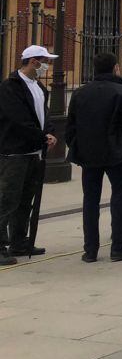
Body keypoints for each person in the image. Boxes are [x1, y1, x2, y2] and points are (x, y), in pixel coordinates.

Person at [66, 52, 122, 262]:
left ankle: (90, 249)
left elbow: (70, 125)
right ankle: (119, 246)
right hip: (118, 153)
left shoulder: (80, 92)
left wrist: (77, 146)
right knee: (120, 198)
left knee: (90, 200)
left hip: (88, 154)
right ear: (116, 68)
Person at [0, 45, 58, 264]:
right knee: (8, 199)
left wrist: (50, 132)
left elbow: (45, 114)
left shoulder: (39, 87)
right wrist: (41, 136)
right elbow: (18, 119)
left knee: (26, 199)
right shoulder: (10, 87)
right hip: (15, 152)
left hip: (34, 152)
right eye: (45, 62)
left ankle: (18, 240)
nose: (47, 66)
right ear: (34, 61)